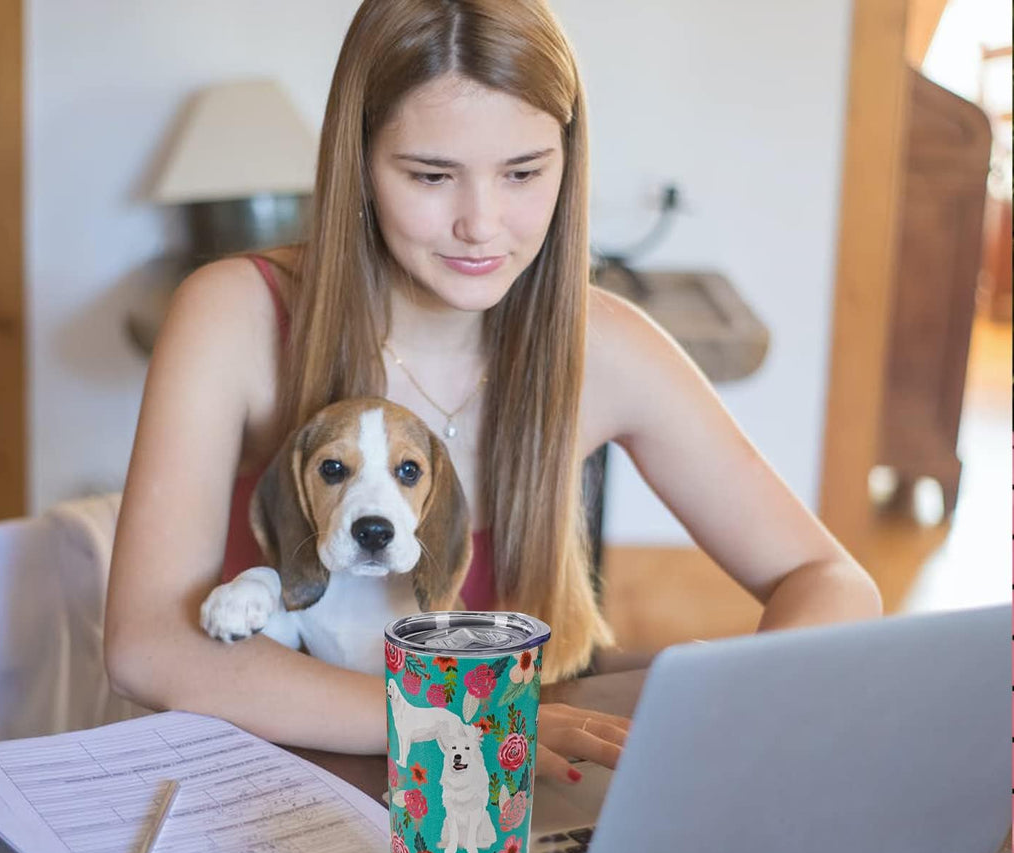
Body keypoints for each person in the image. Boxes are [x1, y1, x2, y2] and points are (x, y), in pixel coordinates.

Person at [104, 0, 881, 784]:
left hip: (481, 806)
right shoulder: (233, 313)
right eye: (432, 175)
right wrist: (456, 720)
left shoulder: (606, 348)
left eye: (523, 173)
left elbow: (832, 581)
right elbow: (146, 644)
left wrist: (746, 700)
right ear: (360, 165)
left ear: (567, 163)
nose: (481, 223)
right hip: (265, 803)